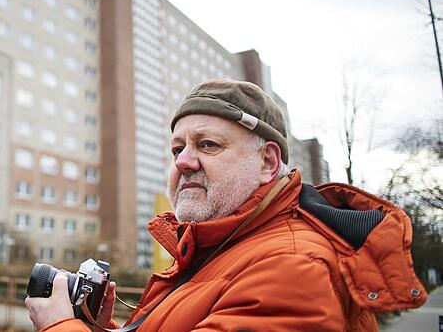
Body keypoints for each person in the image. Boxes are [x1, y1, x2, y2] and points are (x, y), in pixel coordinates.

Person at [26, 79, 427, 331]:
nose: (183, 161)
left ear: (268, 162)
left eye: (208, 145)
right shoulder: (217, 250)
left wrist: (60, 326)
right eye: (177, 148)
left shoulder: (292, 265)